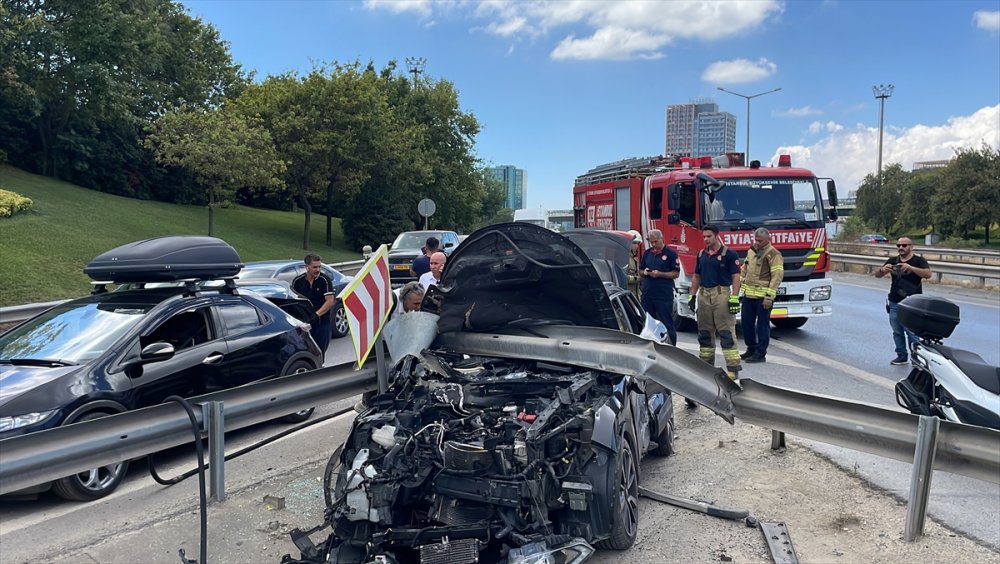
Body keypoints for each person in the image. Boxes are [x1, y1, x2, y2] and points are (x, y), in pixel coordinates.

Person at [689, 225, 742, 380]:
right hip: (704, 295)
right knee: (704, 334)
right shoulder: (701, 254)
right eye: (704, 236)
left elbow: (736, 276)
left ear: (717, 235)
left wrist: (734, 298)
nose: (706, 239)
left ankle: (732, 370)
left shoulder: (729, 254)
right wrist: (692, 296)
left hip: (721, 294)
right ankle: (706, 368)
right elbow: (696, 276)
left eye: (709, 236)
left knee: (726, 333)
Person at [875, 236, 932, 365]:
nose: (901, 248)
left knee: (912, 332)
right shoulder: (893, 260)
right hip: (895, 301)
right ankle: (901, 355)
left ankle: (917, 357)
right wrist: (883, 270)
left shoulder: (919, 260)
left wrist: (911, 268)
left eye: (904, 245)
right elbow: (877, 275)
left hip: (913, 302)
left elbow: (928, 274)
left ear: (911, 247)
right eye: (898, 245)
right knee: (897, 331)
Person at [739, 228, 784, 363]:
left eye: (760, 241)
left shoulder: (774, 254)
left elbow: (777, 276)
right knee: (746, 324)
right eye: (756, 240)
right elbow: (744, 268)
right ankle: (751, 348)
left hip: (763, 297)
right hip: (748, 295)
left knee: (762, 326)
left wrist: (769, 296)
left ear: (768, 240)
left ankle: (760, 353)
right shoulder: (751, 251)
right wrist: (741, 283)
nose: (757, 243)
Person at [639, 229, 679, 346]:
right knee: (646, 323)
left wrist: (660, 274)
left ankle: (672, 348)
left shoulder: (671, 254)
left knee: (667, 323)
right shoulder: (647, 253)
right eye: (651, 242)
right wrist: (645, 273)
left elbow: (675, 273)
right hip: (648, 294)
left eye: (655, 241)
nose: (653, 244)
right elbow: (640, 270)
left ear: (662, 239)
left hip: (663, 295)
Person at [291, 253, 335, 355]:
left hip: (321, 323)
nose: (318, 270)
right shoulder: (298, 281)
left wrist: (316, 315)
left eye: (319, 267)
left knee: (319, 352)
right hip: (304, 324)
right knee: (305, 352)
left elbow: (330, 301)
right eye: (315, 267)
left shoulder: (324, 280)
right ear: (306, 267)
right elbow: (294, 301)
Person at [626, 230, 643, 300]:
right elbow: (622, 277)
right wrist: (639, 279)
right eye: (634, 243)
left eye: (638, 243)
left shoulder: (634, 258)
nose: (637, 246)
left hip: (635, 295)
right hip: (627, 296)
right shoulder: (623, 257)